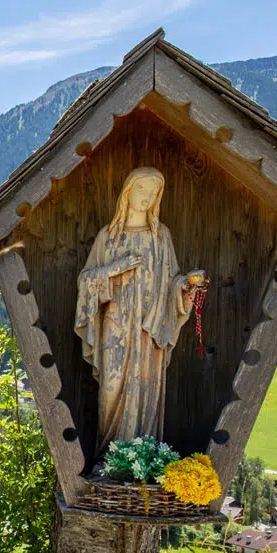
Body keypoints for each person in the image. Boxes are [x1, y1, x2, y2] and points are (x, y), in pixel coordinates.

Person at [75, 166, 205, 454]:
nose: (147, 197)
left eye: (154, 192)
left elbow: (172, 281)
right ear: (128, 191)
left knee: (145, 389)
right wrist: (113, 270)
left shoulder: (161, 238)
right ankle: (109, 458)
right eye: (142, 189)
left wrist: (184, 289)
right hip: (117, 326)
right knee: (110, 389)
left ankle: (142, 459)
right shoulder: (108, 237)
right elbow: (85, 281)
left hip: (149, 330)